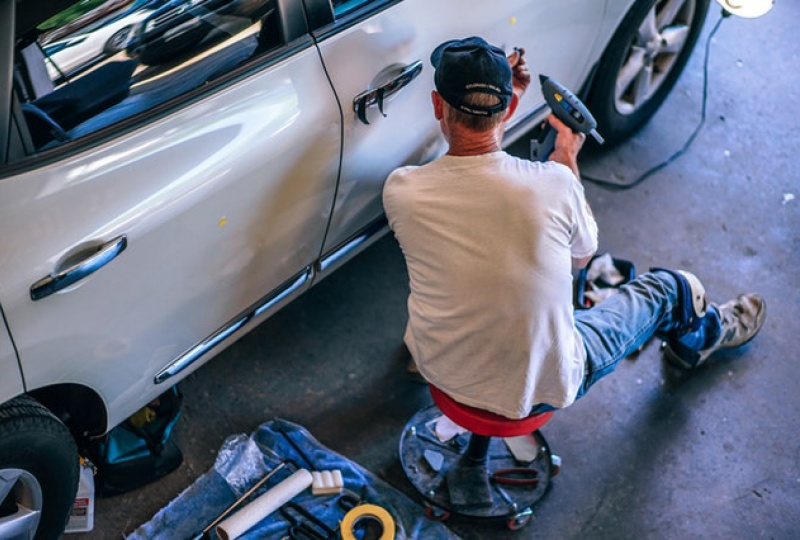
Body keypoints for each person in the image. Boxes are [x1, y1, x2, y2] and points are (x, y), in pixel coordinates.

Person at [382, 36, 766, 420]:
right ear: (511, 108)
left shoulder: (402, 190)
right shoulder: (555, 184)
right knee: (671, 288)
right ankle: (703, 338)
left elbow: (472, 167)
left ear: (437, 105)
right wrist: (565, 156)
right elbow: (581, 259)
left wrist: (504, 114)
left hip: (440, 367)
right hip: (536, 389)